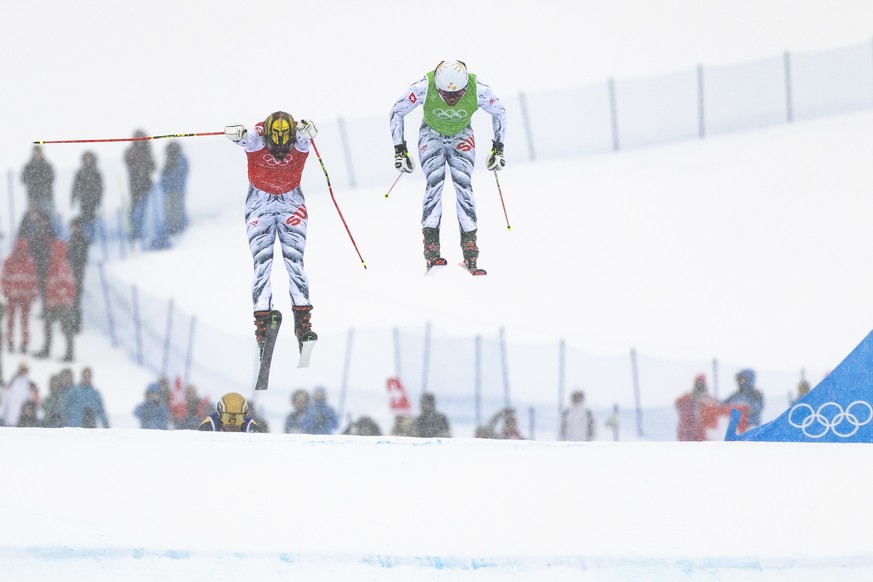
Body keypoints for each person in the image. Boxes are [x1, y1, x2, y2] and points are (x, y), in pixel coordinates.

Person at [389, 60, 507, 273]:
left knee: (464, 186)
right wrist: (400, 150)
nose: (452, 99)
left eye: (458, 94)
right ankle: (431, 246)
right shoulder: (423, 87)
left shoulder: (479, 89)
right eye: (446, 94)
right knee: (435, 181)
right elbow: (397, 110)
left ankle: (470, 246)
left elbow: (500, 111)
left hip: (462, 135)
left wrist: (498, 148)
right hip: (431, 135)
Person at [224, 112, 320, 355]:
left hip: (291, 202)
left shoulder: (300, 139)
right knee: (262, 262)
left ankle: (302, 322)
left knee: (295, 260)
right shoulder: (257, 138)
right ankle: (262, 321)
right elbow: (242, 138)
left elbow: (309, 136)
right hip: (260, 203)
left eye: (284, 144)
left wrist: (311, 130)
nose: (279, 150)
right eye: (274, 144)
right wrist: (235, 134)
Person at [34, 240, 77, 361]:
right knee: (53, 327)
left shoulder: (61, 266)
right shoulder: (55, 265)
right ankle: (50, 350)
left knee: (65, 328)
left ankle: (67, 353)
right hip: (56, 303)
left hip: (60, 304)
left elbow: (63, 285)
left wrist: (57, 300)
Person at [1, 238, 39, 353]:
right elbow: (33, 280)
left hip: (16, 295)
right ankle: (20, 342)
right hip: (21, 296)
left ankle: (14, 341)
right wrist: (32, 293)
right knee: (22, 321)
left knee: (15, 320)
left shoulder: (11, 260)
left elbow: (5, 279)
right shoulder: (27, 261)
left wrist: (7, 292)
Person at [676, 374, 733, 441]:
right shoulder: (687, 400)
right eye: (698, 385)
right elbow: (678, 403)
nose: (700, 388)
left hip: (701, 436)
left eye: (702, 385)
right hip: (688, 434)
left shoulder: (709, 401)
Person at [123, 129, 156, 244]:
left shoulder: (148, 151)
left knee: (144, 212)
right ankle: (133, 234)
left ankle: (140, 234)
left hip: (146, 186)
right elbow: (129, 164)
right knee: (134, 212)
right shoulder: (131, 151)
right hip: (135, 187)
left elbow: (153, 166)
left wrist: (146, 165)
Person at [159, 141, 189, 238]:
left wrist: (169, 183)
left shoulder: (180, 160)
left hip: (176, 191)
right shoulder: (171, 160)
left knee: (176, 211)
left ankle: (177, 230)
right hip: (170, 191)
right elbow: (165, 176)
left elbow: (177, 176)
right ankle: (172, 229)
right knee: (170, 212)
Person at [66, 216, 91, 332]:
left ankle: (75, 324)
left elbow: (80, 257)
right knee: (72, 298)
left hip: (77, 272)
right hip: (73, 272)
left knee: (75, 299)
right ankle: (71, 322)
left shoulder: (81, 240)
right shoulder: (72, 239)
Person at [70, 150, 103, 227]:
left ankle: (92, 234)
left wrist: (98, 198)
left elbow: (100, 187)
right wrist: (73, 198)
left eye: (89, 158)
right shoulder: (80, 172)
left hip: (93, 200)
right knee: (85, 218)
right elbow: (75, 186)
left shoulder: (96, 172)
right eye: (86, 158)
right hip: (83, 200)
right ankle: (87, 234)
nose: (87, 160)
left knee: (92, 219)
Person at [0, 362, 37, 427]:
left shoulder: (30, 384)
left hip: (22, 419)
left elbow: (33, 401)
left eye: (24, 369)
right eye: (21, 369)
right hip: (9, 417)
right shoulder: (12, 382)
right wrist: (2, 413)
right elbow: (5, 399)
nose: (22, 371)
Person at [21, 145, 55, 214]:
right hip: (33, 198)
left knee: (48, 216)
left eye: (37, 153)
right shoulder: (28, 166)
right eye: (34, 153)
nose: (36, 155)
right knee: (34, 219)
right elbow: (23, 179)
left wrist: (41, 183)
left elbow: (51, 178)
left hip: (46, 196)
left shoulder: (46, 165)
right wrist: (33, 182)